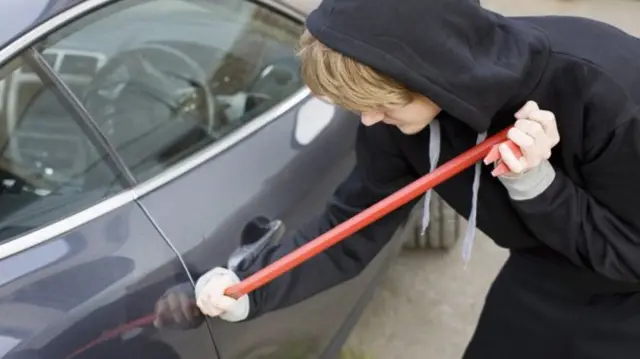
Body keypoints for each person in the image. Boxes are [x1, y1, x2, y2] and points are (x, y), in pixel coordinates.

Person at [194, 0, 640, 357]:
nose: (369, 121)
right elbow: (352, 224)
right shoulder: (396, 121)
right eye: (359, 106)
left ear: (431, 76)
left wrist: (540, 187)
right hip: (540, 273)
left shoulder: (606, 90)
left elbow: (631, 253)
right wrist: (252, 290)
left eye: (384, 106)